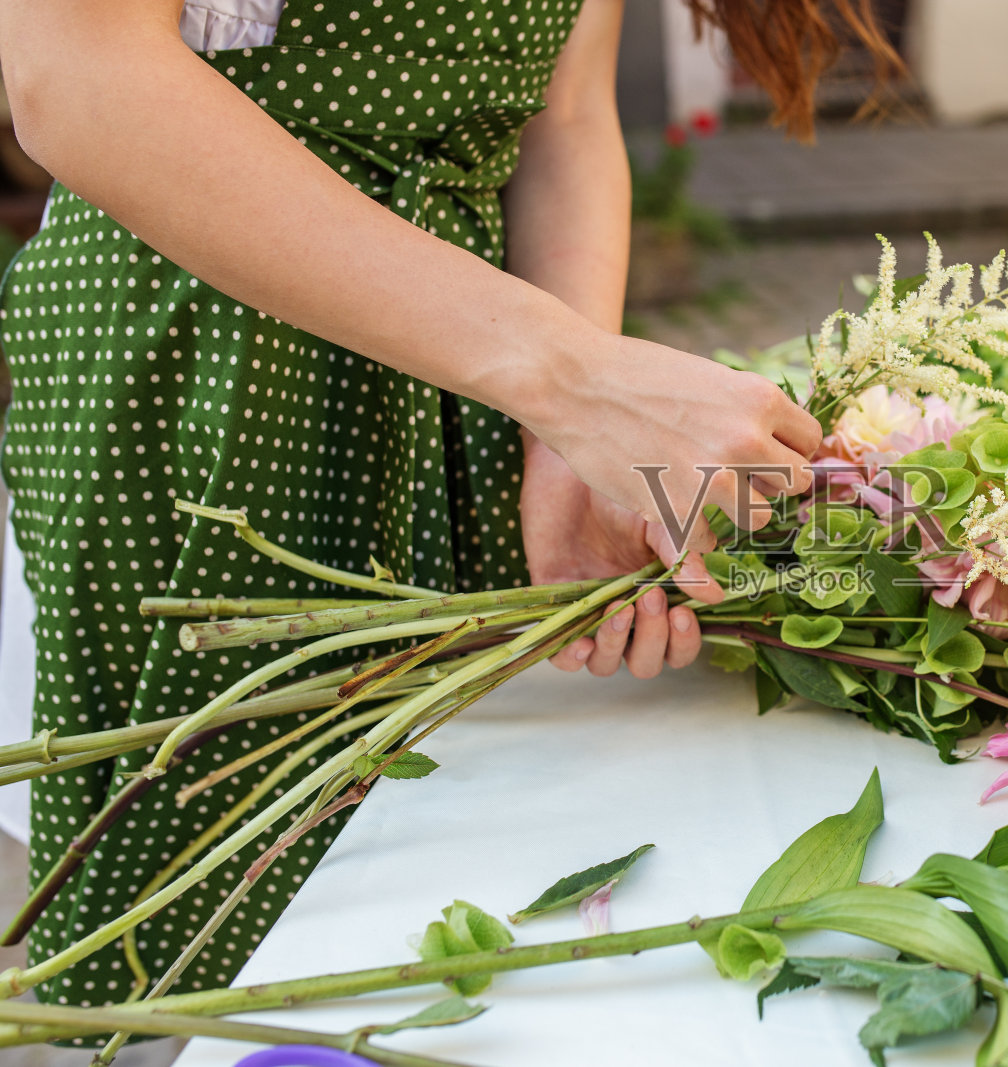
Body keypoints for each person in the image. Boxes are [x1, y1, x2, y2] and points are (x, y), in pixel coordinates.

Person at [0, 0, 898, 1014]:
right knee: (207, 912)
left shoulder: (535, 377)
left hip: (475, 370)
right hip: (212, 362)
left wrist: (564, 436)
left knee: (438, 883)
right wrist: (577, 381)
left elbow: (564, 118)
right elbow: (76, 75)